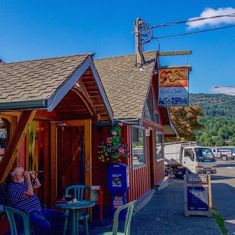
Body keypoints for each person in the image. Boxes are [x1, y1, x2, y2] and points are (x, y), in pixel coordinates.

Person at [7, 167, 65, 235]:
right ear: (17, 176)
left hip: (39, 210)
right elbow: (30, 193)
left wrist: (34, 177)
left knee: (61, 215)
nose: (25, 175)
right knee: (45, 226)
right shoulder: (13, 187)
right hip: (29, 213)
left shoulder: (23, 184)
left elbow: (38, 185)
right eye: (23, 174)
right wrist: (28, 179)